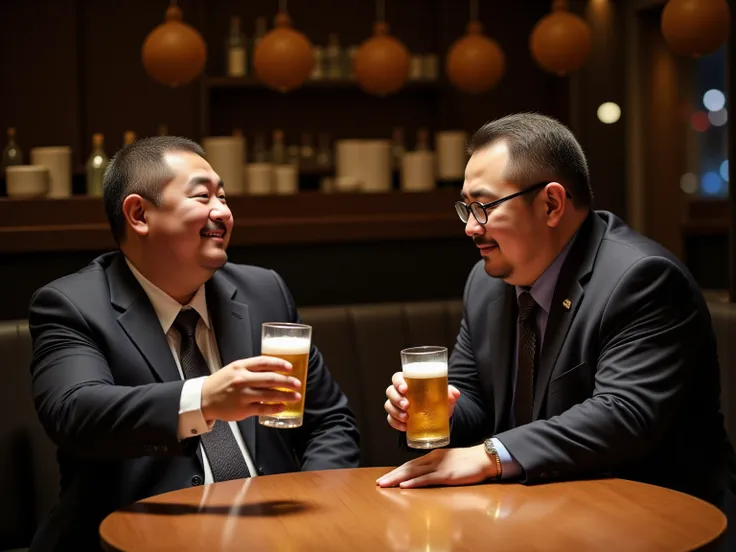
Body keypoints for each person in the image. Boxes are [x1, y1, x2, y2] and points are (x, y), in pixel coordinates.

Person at [379, 113, 736, 538]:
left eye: (484, 206)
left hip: (655, 524)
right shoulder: (487, 282)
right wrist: (434, 414)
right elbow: (473, 398)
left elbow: (623, 414)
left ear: (551, 203)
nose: (471, 227)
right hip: (531, 518)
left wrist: (491, 454)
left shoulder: (642, 279)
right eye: (466, 207)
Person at [28, 136, 360, 550]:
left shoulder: (263, 291)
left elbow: (329, 422)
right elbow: (75, 412)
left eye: (224, 196)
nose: (222, 212)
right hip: (138, 538)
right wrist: (202, 399)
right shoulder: (73, 305)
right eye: (203, 196)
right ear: (138, 214)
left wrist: (315, 505)